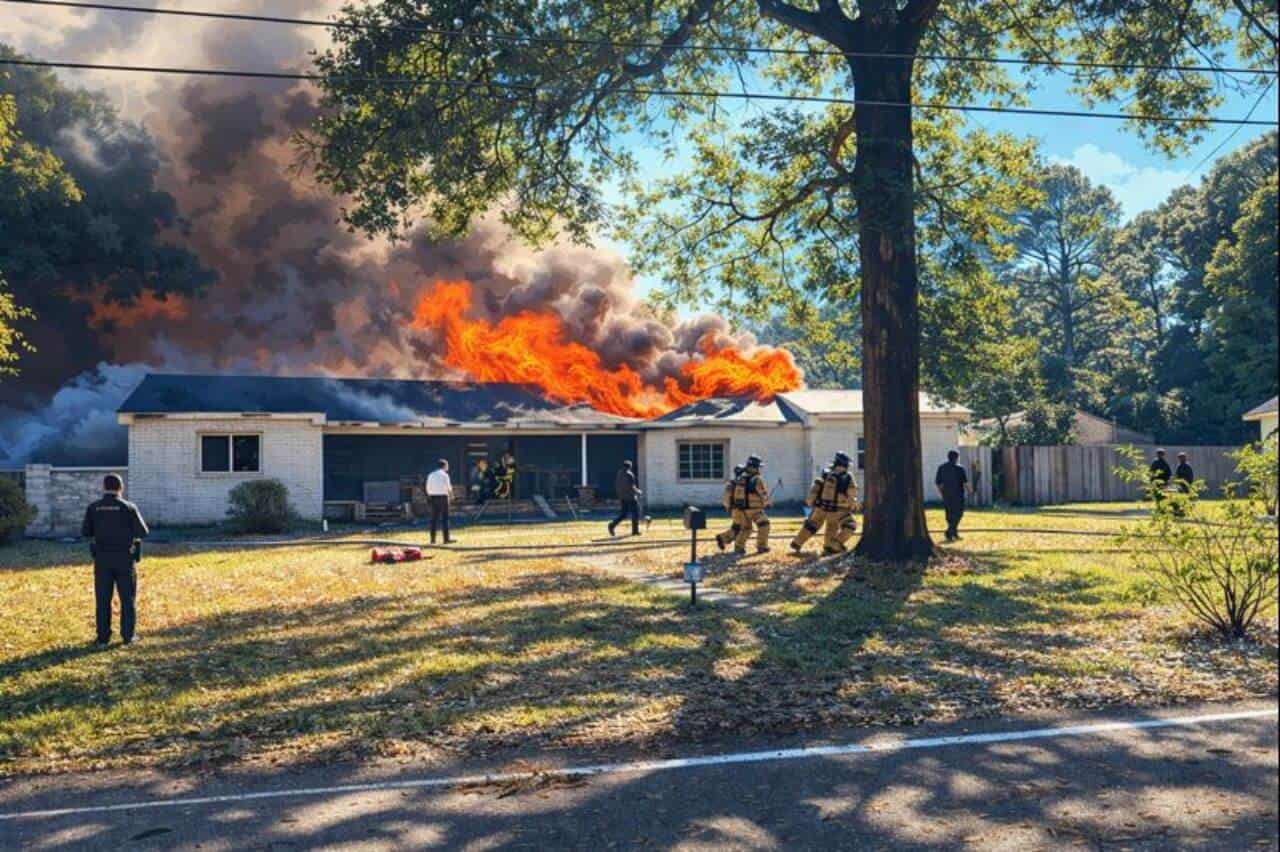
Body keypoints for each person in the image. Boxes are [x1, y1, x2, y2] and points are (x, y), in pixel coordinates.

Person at [81, 474, 149, 646]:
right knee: (127, 599)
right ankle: (128, 636)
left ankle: (102, 637)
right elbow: (143, 532)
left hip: (102, 559)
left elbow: (86, 532)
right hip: (125, 559)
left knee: (103, 599)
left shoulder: (93, 508)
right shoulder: (129, 507)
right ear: (121, 487)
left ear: (103, 487)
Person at [791, 452, 859, 555]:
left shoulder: (826, 474)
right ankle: (833, 545)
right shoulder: (847, 477)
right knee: (849, 525)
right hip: (838, 510)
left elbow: (816, 488)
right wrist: (853, 503)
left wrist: (810, 500)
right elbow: (851, 493)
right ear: (845, 465)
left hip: (820, 508)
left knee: (811, 525)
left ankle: (797, 542)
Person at [730, 455, 771, 554]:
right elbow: (763, 493)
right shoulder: (757, 479)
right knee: (764, 525)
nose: (759, 469)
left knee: (746, 529)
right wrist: (767, 503)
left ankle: (738, 547)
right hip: (755, 510)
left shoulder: (741, 478)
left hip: (742, 509)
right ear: (754, 467)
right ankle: (762, 547)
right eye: (758, 466)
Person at [934, 450, 969, 542]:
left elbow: (938, 483)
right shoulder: (960, 469)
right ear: (956, 458)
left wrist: (941, 493)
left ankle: (953, 533)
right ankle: (950, 531)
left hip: (947, 494)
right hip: (958, 495)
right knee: (959, 513)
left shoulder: (941, 468)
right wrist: (970, 491)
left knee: (949, 514)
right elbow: (965, 482)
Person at [714, 465, 746, 551]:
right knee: (742, 528)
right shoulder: (739, 483)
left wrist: (728, 507)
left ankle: (723, 538)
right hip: (738, 509)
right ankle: (724, 538)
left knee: (736, 527)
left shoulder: (731, 483)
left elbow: (726, 498)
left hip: (734, 509)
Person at [608, 461, 642, 536]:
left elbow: (617, 485)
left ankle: (612, 525)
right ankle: (635, 531)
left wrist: (620, 495)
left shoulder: (619, 474)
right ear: (630, 466)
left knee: (623, 514)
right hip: (631, 497)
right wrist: (638, 491)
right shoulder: (629, 474)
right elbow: (632, 486)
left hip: (622, 497)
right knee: (635, 514)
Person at [425, 459, 453, 544]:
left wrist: (430, 496)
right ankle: (446, 539)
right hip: (443, 497)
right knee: (445, 518)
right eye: (447, 465)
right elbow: (449, 487)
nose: (448, 467)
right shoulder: (445, 475)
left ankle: (433, 539)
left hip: (433, 498)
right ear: (444, 466)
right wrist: (451, 495)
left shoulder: (430, 475)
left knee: (433, 519)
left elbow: (427, 488)